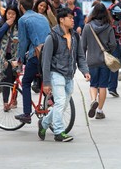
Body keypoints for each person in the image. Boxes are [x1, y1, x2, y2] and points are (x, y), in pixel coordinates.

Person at [38, 8, 90, 142]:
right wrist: (47, 82)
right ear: (61, 20)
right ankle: (59, 132)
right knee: (60, 102)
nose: (73, 20)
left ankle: (44, 123)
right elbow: (46, 61)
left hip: (69, 75)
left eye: (73, 18)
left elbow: (80, 56)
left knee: (63, 105)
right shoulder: (52, 37)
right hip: (56, 73)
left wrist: (85, 71)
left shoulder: (75, 36)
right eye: (70, 18)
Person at [13, 0, 51, 124]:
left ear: (21, 6)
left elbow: (23, 42)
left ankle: (27, 113)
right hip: (49, 54)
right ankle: (50, 101)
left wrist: (19, 59)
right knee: (42, 79)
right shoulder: (42, 17)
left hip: (36, 55)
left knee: (26, 82)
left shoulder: (23, 20)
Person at [82, 3, 116, 119]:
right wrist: (108, 51)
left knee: (93, 84)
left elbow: (83, 46)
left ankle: (93, 100)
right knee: (103, 86)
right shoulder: (109, 27)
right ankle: (100, 111)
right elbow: (113, 44)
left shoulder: (87, 27)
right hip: (104, 61)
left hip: (91, 60)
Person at [99, 0, 121, 97]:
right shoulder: (117, 9)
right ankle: (112, 87)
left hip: (100, 40)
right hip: (115, 40)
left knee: (101, 62)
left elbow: (88, 22)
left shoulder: (97, 7)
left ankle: (100, 85)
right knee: (114, 62)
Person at [0, 4, 20, 111]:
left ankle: (14, 99)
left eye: (13, 14)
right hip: (4, 56)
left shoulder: (19, 24)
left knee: (15, 79)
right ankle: (6, 102)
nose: (11, 16)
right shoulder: (1, 23)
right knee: (6, 79)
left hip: (16, 56)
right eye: (9, 13)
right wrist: (6, 25)